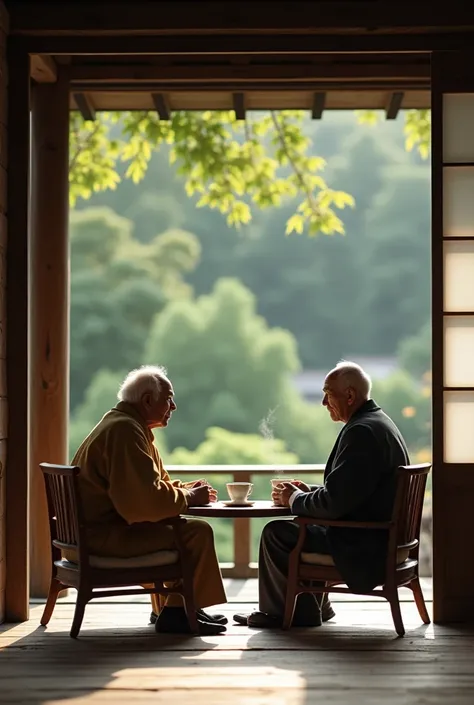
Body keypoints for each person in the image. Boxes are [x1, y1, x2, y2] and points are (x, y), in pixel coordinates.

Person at [234, 361, 409, 629]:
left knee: (277, 534)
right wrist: (308, 493)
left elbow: (334, 504)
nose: (323, 403)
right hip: (380, 536)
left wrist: (293, 500)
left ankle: (283, 612)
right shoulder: (378, 422)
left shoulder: (361, 431)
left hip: (364, 545)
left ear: (349, 395)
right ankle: (313, 607)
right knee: (304, 526)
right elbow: (352, 491)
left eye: (328, 394)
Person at [71, 365, 227, 636]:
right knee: (195, 532)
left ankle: (177, 607)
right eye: (169, 398)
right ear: (147, 400)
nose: (174, 406)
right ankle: (177, 613)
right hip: (101, 540)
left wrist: (185, 489)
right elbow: (141, 505)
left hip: (86, 536)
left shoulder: (126, 424)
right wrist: (188, 496)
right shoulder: (124, 431)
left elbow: (151, 487)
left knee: (180, 527)